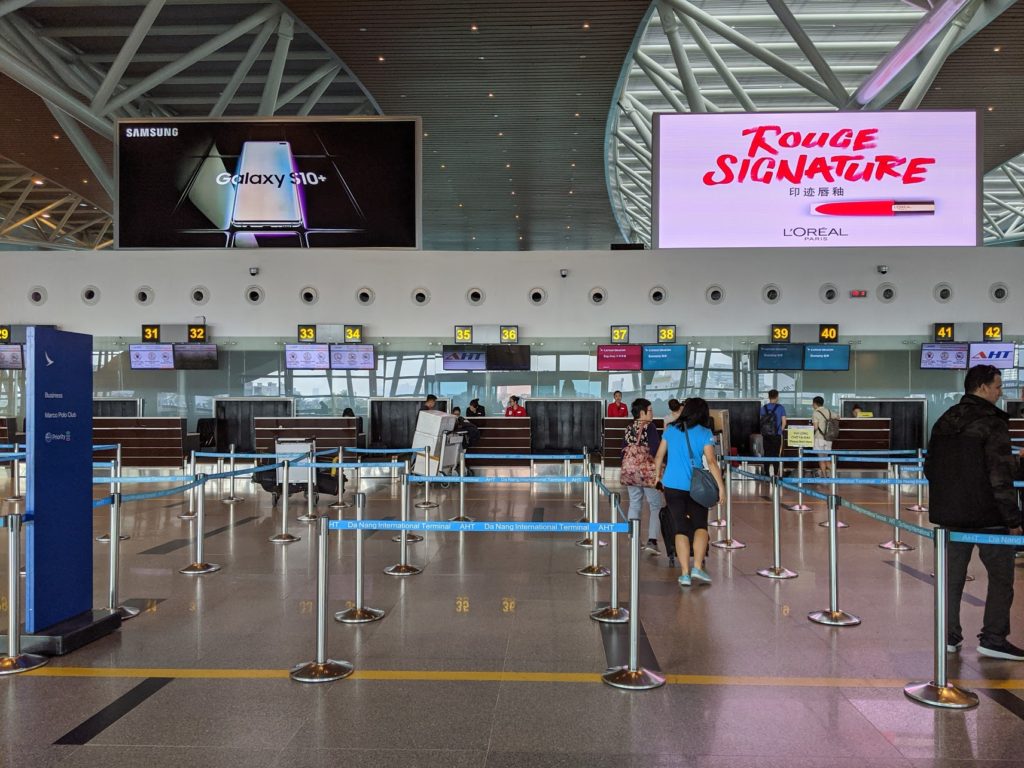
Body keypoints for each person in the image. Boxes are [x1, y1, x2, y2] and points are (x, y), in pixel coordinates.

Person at [925, 364, 1024, 660]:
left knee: (952, 577)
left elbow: (930, 468)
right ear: (981, 387)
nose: (1000, 391)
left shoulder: (944, 420)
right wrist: (1014, 520)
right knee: (1000, 577)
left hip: (949, 516)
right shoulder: (992, 423)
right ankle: (993, 638)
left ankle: (949, 636)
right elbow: (1000, 476)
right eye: (997, 386)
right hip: (988, 516)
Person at [653, 397, 725, 587]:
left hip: (672, 485)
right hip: (696, 487)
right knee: (700, 526)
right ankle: (698, 567)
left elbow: (659, 455)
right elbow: (711, 462)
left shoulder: (670, 430)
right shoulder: (705, 432)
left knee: (680, 528)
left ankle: (684, 574)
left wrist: (656, 476)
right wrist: (721, 487)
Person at [620, 398, 664, 556]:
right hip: (646, 473)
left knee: (634, 504)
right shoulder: (649, 427)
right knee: (655, 505)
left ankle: (634, 538)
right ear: (642, 412)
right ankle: (652, 541)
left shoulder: (629, 427)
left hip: (631, 472)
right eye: (650, 410)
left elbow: (623, 449)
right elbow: (655, 450)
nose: (652, 413)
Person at [759, 389, 787, 466]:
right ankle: (775, 474)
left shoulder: (763, 408)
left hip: (766, 435)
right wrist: (779, 431)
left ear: (769, 397)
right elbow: (784, 422)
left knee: (766, 453)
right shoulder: (781, 408)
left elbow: (761, 422)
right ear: (777, 397)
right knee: (776, 454)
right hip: (776, 434)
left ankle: (767, 474)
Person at [811, 396, 834, 477]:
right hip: (828, 439)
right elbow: (838, 416)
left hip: (819, 438)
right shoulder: (829, 411)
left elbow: (815, 427)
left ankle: (824, 476)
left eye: (812, 403)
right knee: (826, 458)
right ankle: (835, 475)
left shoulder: (816, 413)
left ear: (815, 404)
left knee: (821, 459)